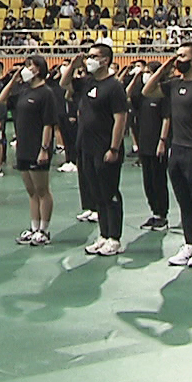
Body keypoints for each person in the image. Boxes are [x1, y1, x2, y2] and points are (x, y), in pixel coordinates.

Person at [146, 42, 192, 267]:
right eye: (177, 55)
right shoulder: (174, 84)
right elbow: (147, 90)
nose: (180, 59)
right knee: (184, 202)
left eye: (184, 56)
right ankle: (188, 244)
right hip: (176, 150)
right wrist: (165, 67)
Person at [64, 43, 129, 255]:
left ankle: (115, 238)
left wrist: (114, 148)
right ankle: (103, 235)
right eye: (89, 56)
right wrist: (74, 64)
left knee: (110, 193)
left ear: (105, 60)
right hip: (86, 147)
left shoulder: (114, 87)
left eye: (94, 56)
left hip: (105, 148)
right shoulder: (87, 83)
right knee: (97, 195)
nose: (89, 59)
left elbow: (120, 119)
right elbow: (64, 83)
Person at [2, 55, 61, 245]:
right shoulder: (23, 91)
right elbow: (1, 99)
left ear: (39, 69)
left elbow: (48, 124)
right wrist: (13, 79)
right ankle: (34, 226)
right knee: (31, 191)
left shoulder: (46, 93)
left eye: (30, 66)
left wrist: (44, 149)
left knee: (42, 190)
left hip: (38, 147)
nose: (27, 68)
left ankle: (44, 229)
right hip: (23, 147)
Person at [125, 60, 171, 231]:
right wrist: (136, 77)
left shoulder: (162, 94)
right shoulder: (143, 95)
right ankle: (154, 212)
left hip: (157, 143)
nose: (145, 74)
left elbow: (167, 118)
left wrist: (162, 141)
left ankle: (163, 215)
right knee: (148, 181)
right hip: (144, 143)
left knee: (159, 180)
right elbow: (127, 95)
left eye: (148, 72)